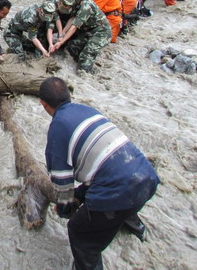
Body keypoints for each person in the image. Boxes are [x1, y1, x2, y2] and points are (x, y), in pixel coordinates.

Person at [40, 76, 159, 270]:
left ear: (43, 104)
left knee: (79, 233)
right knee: (117, 196)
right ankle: (137, 229)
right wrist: (78, 196)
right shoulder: (88, 110)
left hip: (117, 190)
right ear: (69, 95)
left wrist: (64, 209)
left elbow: (62, 181)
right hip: (145, 177)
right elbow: (101, 163)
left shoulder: (58, 128)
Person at [52, 0, 112, 73]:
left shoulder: (86, 5)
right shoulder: (77, 0)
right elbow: (73, 18)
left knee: (87, 55)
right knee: (71, 47)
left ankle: (85, 73)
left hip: (101, 32)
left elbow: (74, 27)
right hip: (88, 30)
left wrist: (61, 41)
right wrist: (62, 33)